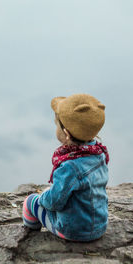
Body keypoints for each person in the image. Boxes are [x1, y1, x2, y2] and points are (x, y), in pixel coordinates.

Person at [22, 93, 109, 242]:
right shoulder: (99, 154)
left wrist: (43, 197)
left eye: (57, 124)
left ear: (66, 134)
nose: (55, 127)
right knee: (55, 192)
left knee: (30, 202)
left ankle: (31, 233)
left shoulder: (69, 166)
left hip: (73, 231)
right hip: (99, 226)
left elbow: (54, 202)